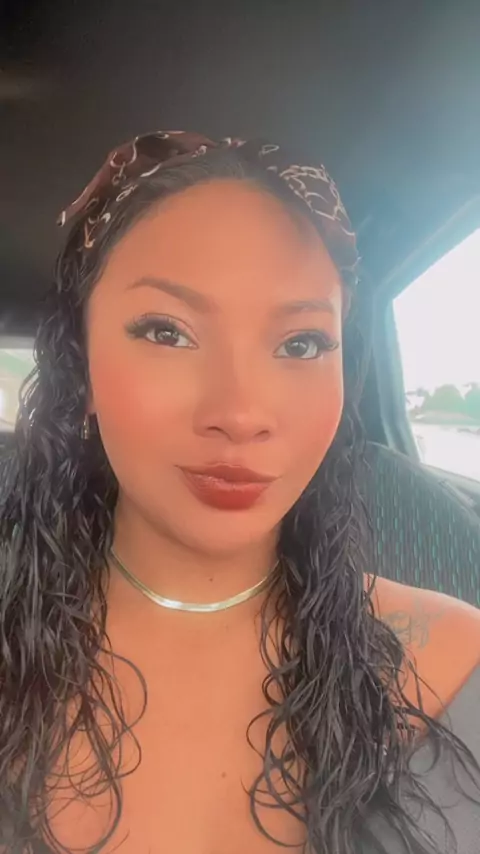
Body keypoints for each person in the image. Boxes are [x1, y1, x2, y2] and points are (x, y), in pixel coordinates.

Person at [0, 130, 479, 854]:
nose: (242, 412)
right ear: (82, 368)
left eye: (301, 343)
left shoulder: (459, 660)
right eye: (167, 332)